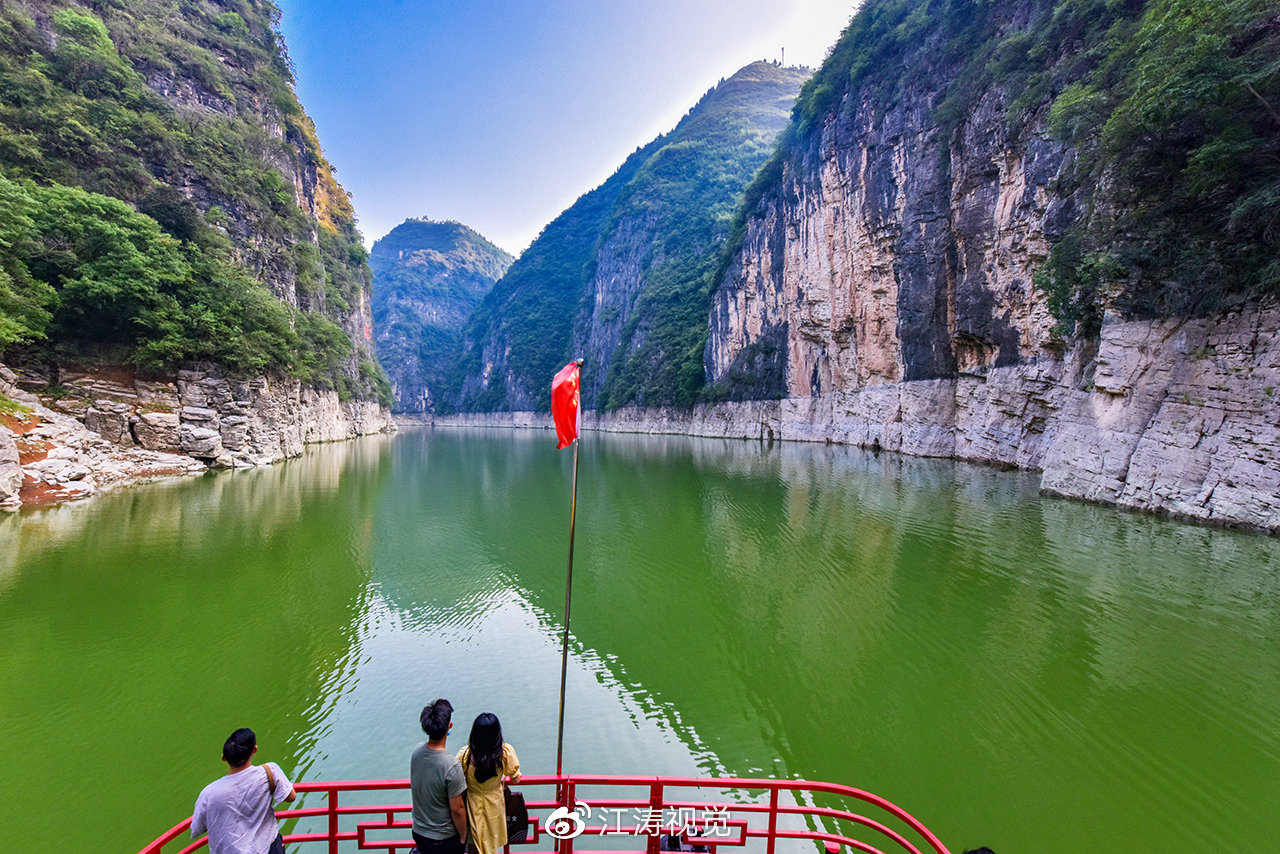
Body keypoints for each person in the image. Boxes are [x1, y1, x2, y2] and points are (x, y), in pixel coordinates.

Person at [191, 727, 297, 854]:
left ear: (224, 757)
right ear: (254, 750)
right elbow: (291, 797)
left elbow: (197, 828)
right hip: (268, 847)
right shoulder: (269, 772)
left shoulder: (208, 793)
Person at [455, 713, 522, 854]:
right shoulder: (504, 754)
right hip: (494, 804)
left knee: (475, 844)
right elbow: (516, 778)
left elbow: (456, 780)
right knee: (491, 842)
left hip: (472, 805)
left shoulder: (465, 755)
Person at [411, 698, 468, 854]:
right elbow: (457, 809)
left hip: (419, 831)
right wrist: (463, 837)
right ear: (449, 726)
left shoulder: (416, 752)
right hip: (443, 839)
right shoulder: (451, 766)